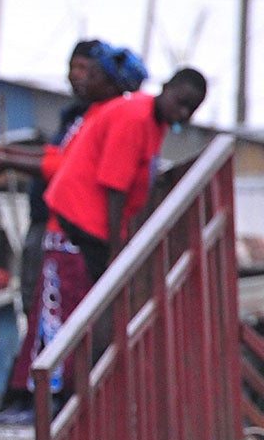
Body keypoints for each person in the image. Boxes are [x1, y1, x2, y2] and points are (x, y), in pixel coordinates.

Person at [0, 40, 133, 410]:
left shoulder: (109, 116)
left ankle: (57, 394)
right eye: (75, 68)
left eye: (88, 70)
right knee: (45, 308)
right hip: (57, 228)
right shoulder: (80, 116)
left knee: (65, 311)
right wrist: (7, 155)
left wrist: (8, 161)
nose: (78, 77)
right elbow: (59, 157)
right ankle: (36, 391)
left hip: (78, 232)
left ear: (110, 79)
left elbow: (73, 167)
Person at [39, 67, 206, 282]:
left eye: (190, 109)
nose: (182, 113)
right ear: (166, 88)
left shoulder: (155, 120)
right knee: (85, 302)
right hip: (80, 222)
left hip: (88, 222)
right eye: (180, 102)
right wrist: (115, 249)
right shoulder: (136, 117)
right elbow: (115, 185)